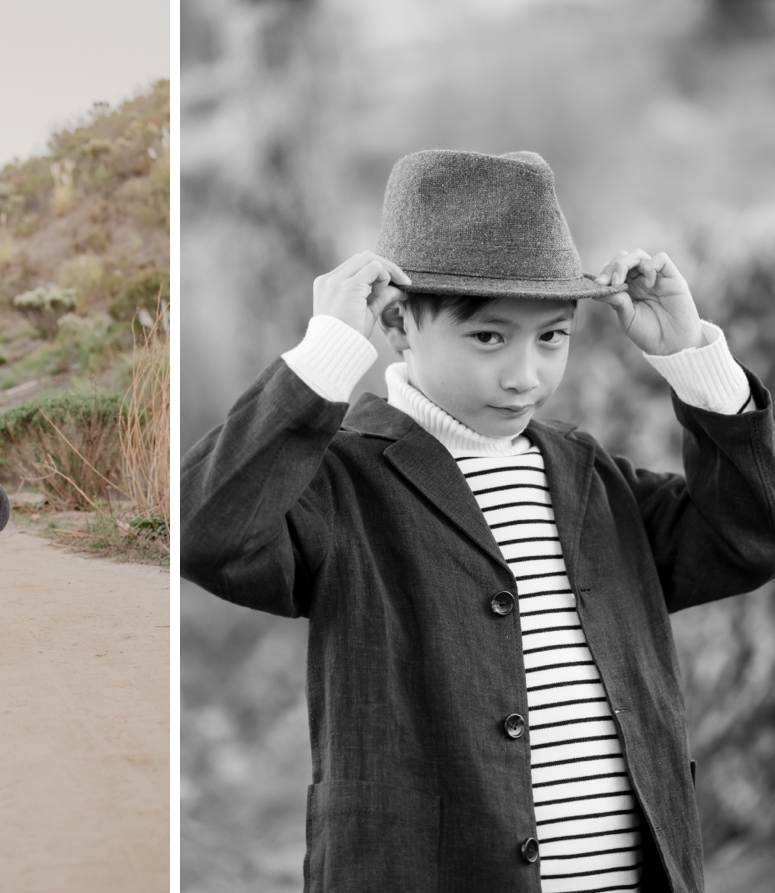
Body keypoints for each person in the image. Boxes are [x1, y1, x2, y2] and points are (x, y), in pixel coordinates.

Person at [180, 150, 775, 893]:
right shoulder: (342, 482)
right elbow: (207, 531)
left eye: (551, 336)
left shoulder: (590, 476)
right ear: (398, 323)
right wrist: (323, 356)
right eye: (489, 337)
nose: (525, 374)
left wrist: (693, 361)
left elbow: (750, 534)